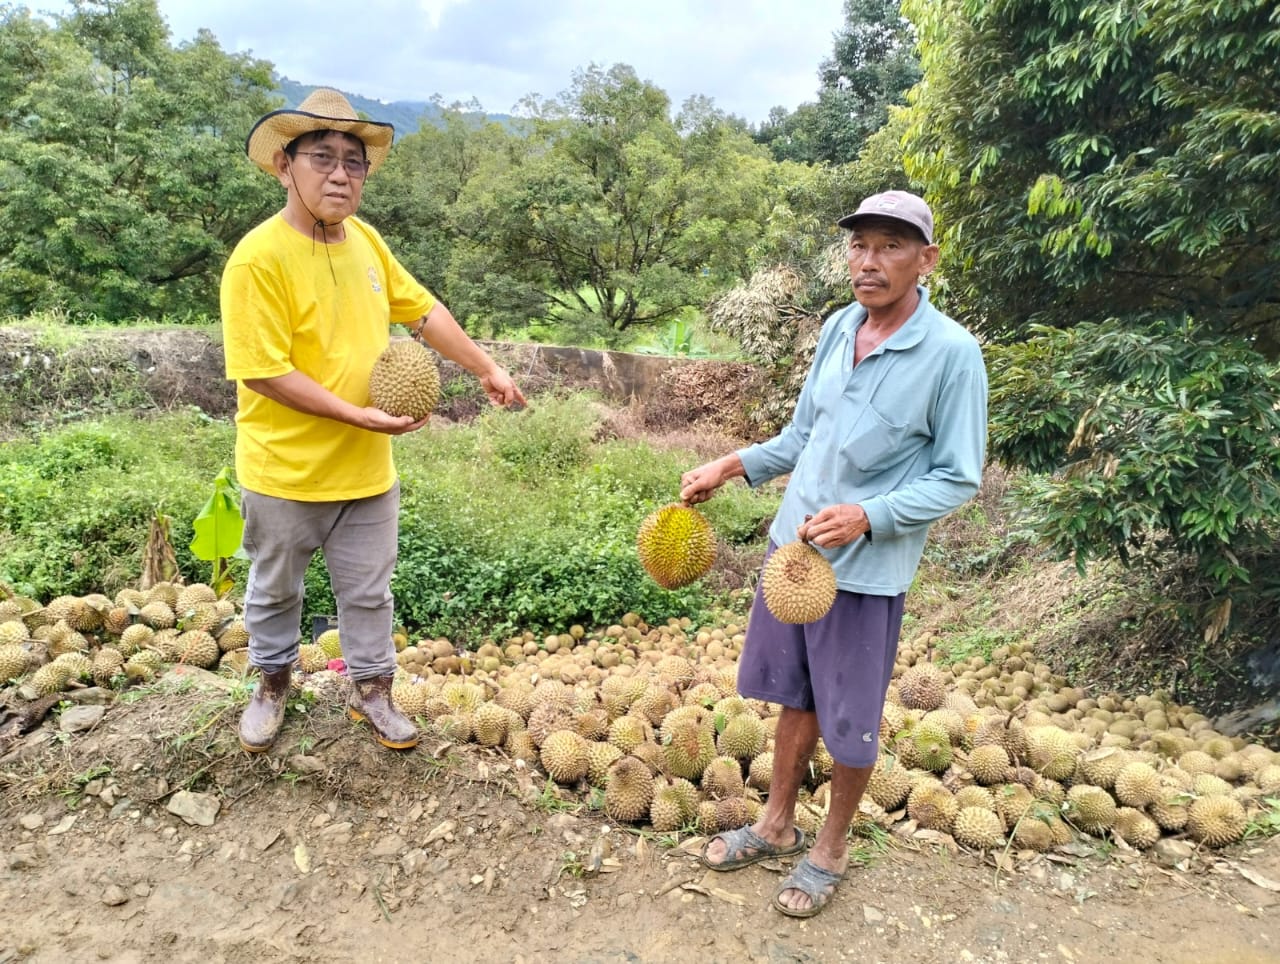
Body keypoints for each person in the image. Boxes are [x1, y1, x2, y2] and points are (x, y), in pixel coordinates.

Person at [679, 190, 987, 918]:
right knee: (794, 697)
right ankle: (776, 824)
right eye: (858, 246)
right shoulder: (839, 327)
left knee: (848, 715)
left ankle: (832, 848)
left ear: (926, 259)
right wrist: (730, 466)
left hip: (865, 571)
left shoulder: (951, 353)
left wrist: (871, 516)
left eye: (888, 246)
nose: (868, 262)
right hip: (794, 554)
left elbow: (958, 475)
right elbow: (802, 436)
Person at [222, 89, 525, 754]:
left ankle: (373, 695)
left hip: (366, 473)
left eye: (353, 163)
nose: (339, 174)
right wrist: (355, 412)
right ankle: (272, 685)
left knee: (368, 594)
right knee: (275, 591)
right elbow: (263, 372)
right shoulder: (257, 259)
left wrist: (485, 368)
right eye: (322, 158)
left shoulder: (366, 242)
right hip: (285, 473)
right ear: (284, 165)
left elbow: (422, 311)